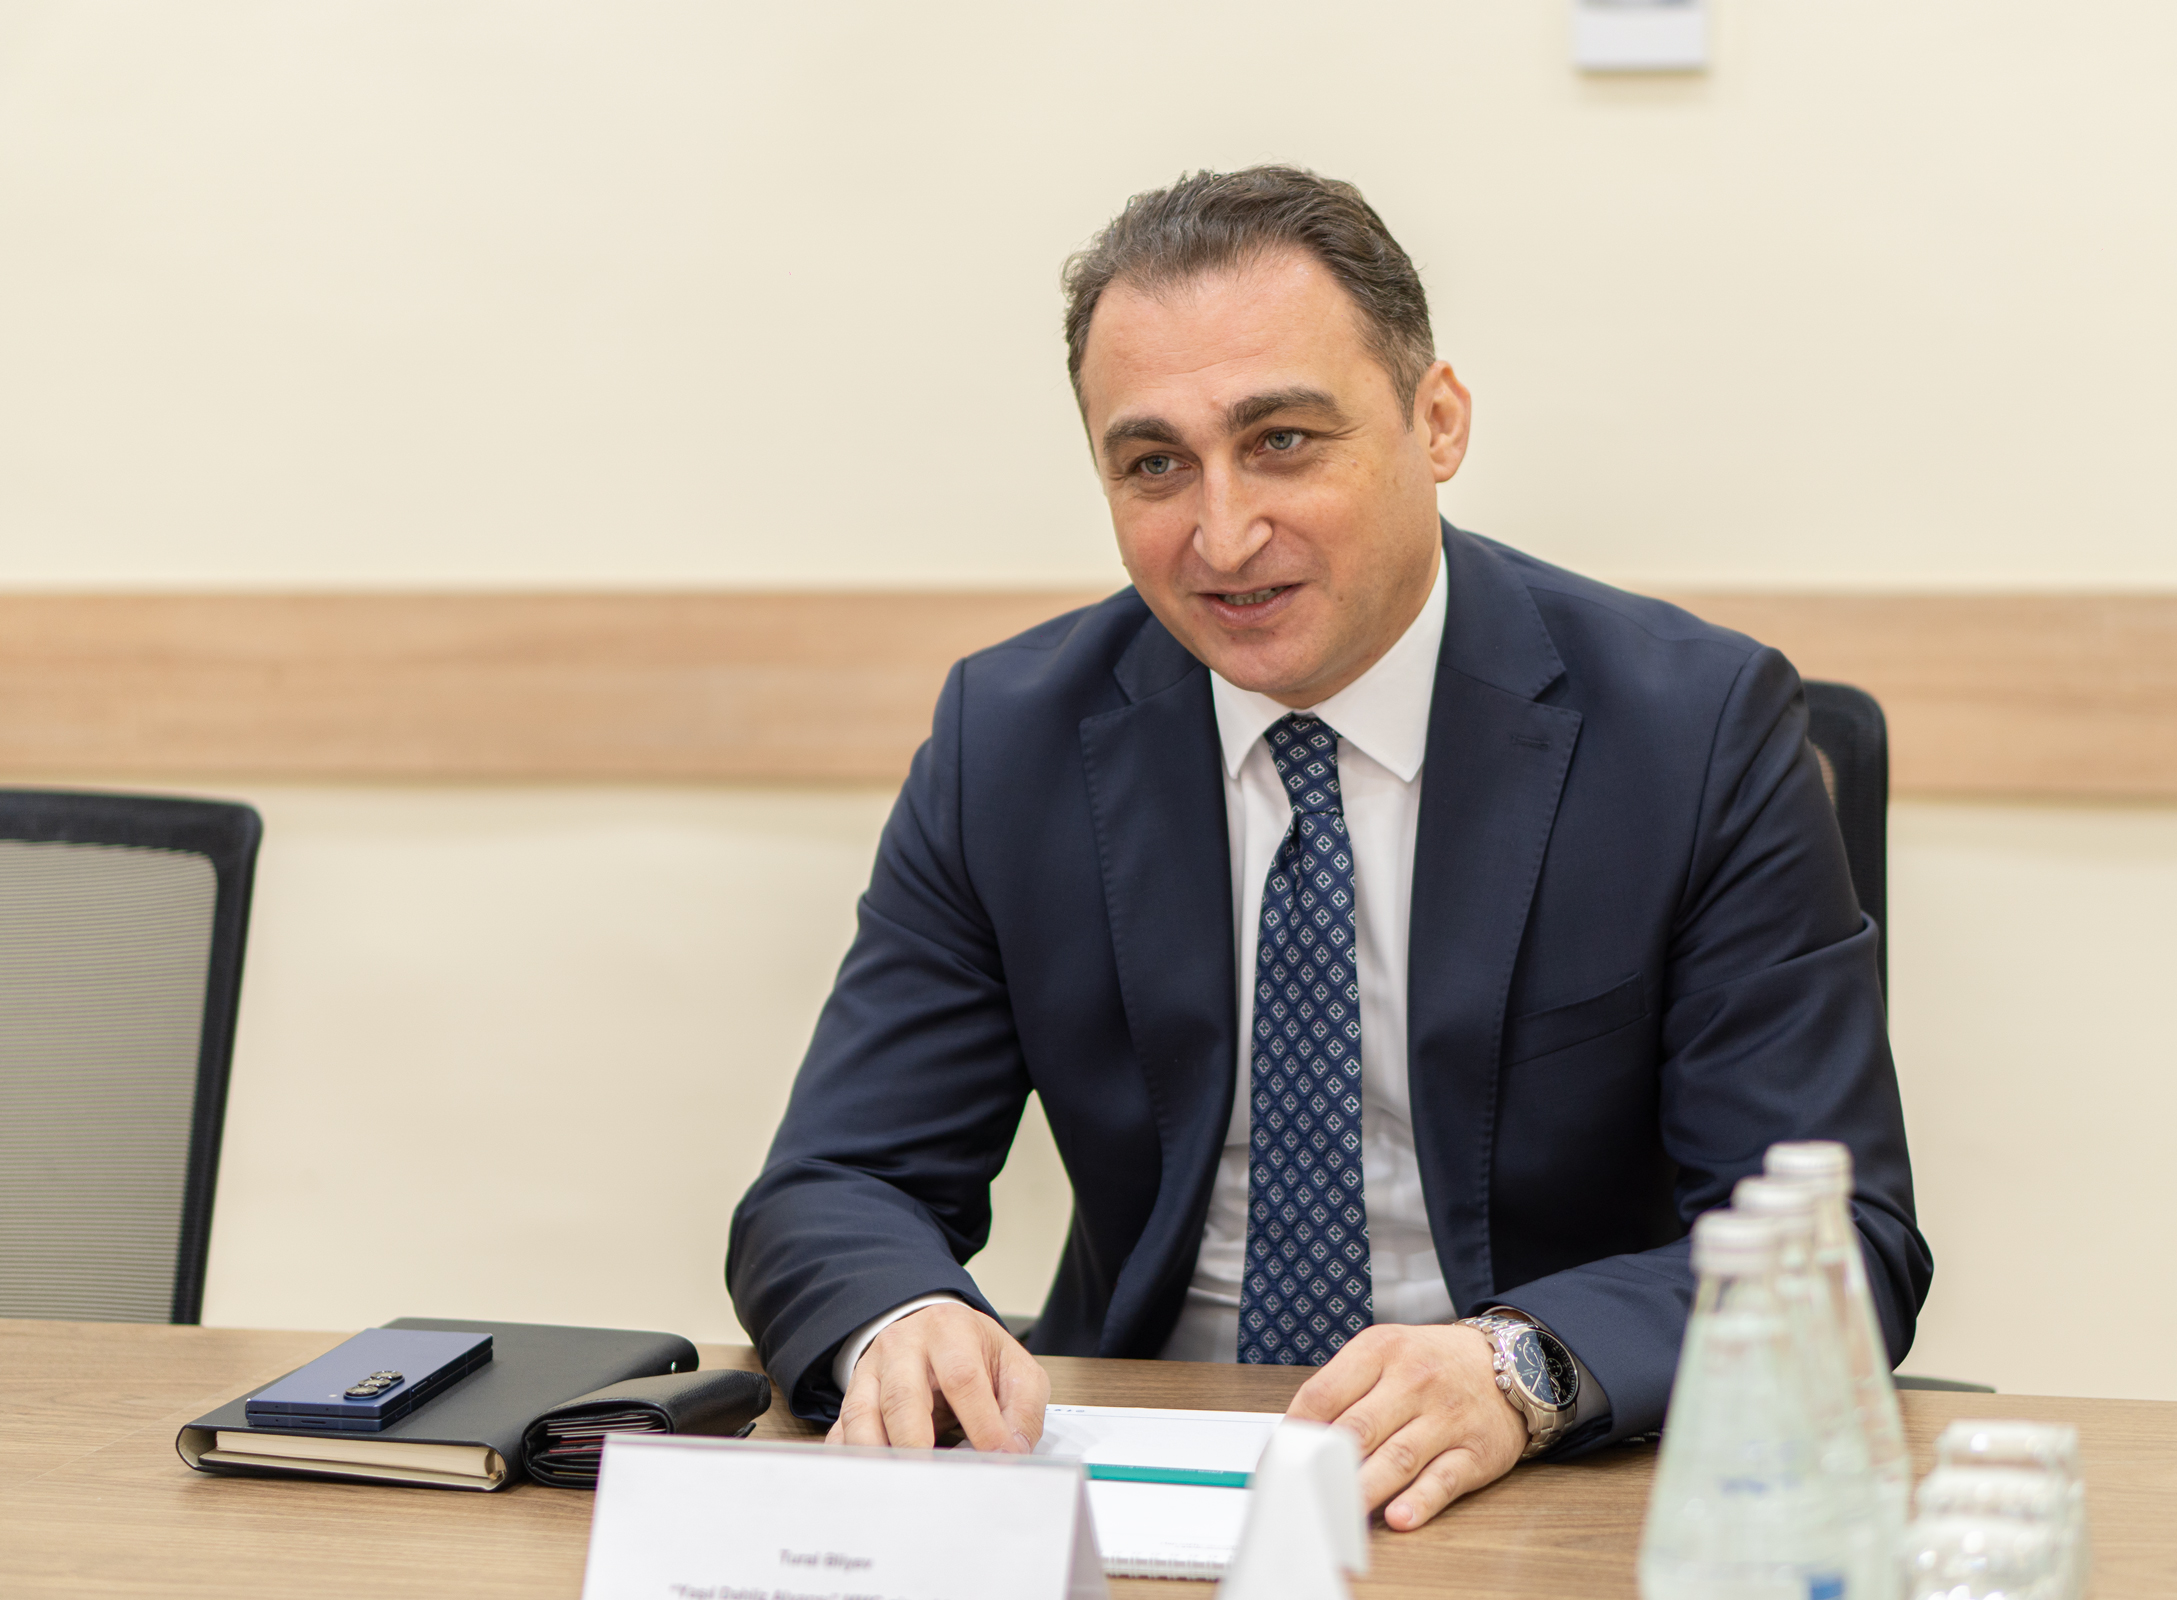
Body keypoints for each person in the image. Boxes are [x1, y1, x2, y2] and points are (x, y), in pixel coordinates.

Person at [729, 165, 1929, 1531]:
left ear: (1439, 422)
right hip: (1132, 1464)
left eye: (1284, 440)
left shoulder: (1691, 731)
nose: (1224, 533)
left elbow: (1840, 1249)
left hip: (1537, 1473)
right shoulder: (1011, 739)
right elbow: (837, 1181)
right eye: (1154, 465)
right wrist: (900, 1319)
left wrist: (1521, 1367)